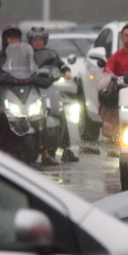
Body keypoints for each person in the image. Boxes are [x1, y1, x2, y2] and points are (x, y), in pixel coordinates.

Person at [27, 26, 79, 163]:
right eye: (35, 39)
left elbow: (62, 65)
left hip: (48, 88)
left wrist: (67, 72)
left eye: (40, 39)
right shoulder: (26, 55)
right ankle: (43, 152)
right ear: (30, 41)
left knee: (60, 113)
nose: (38, 42)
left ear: (45, 40)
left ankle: (66, 150)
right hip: (31, 89)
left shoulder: (51, 54)